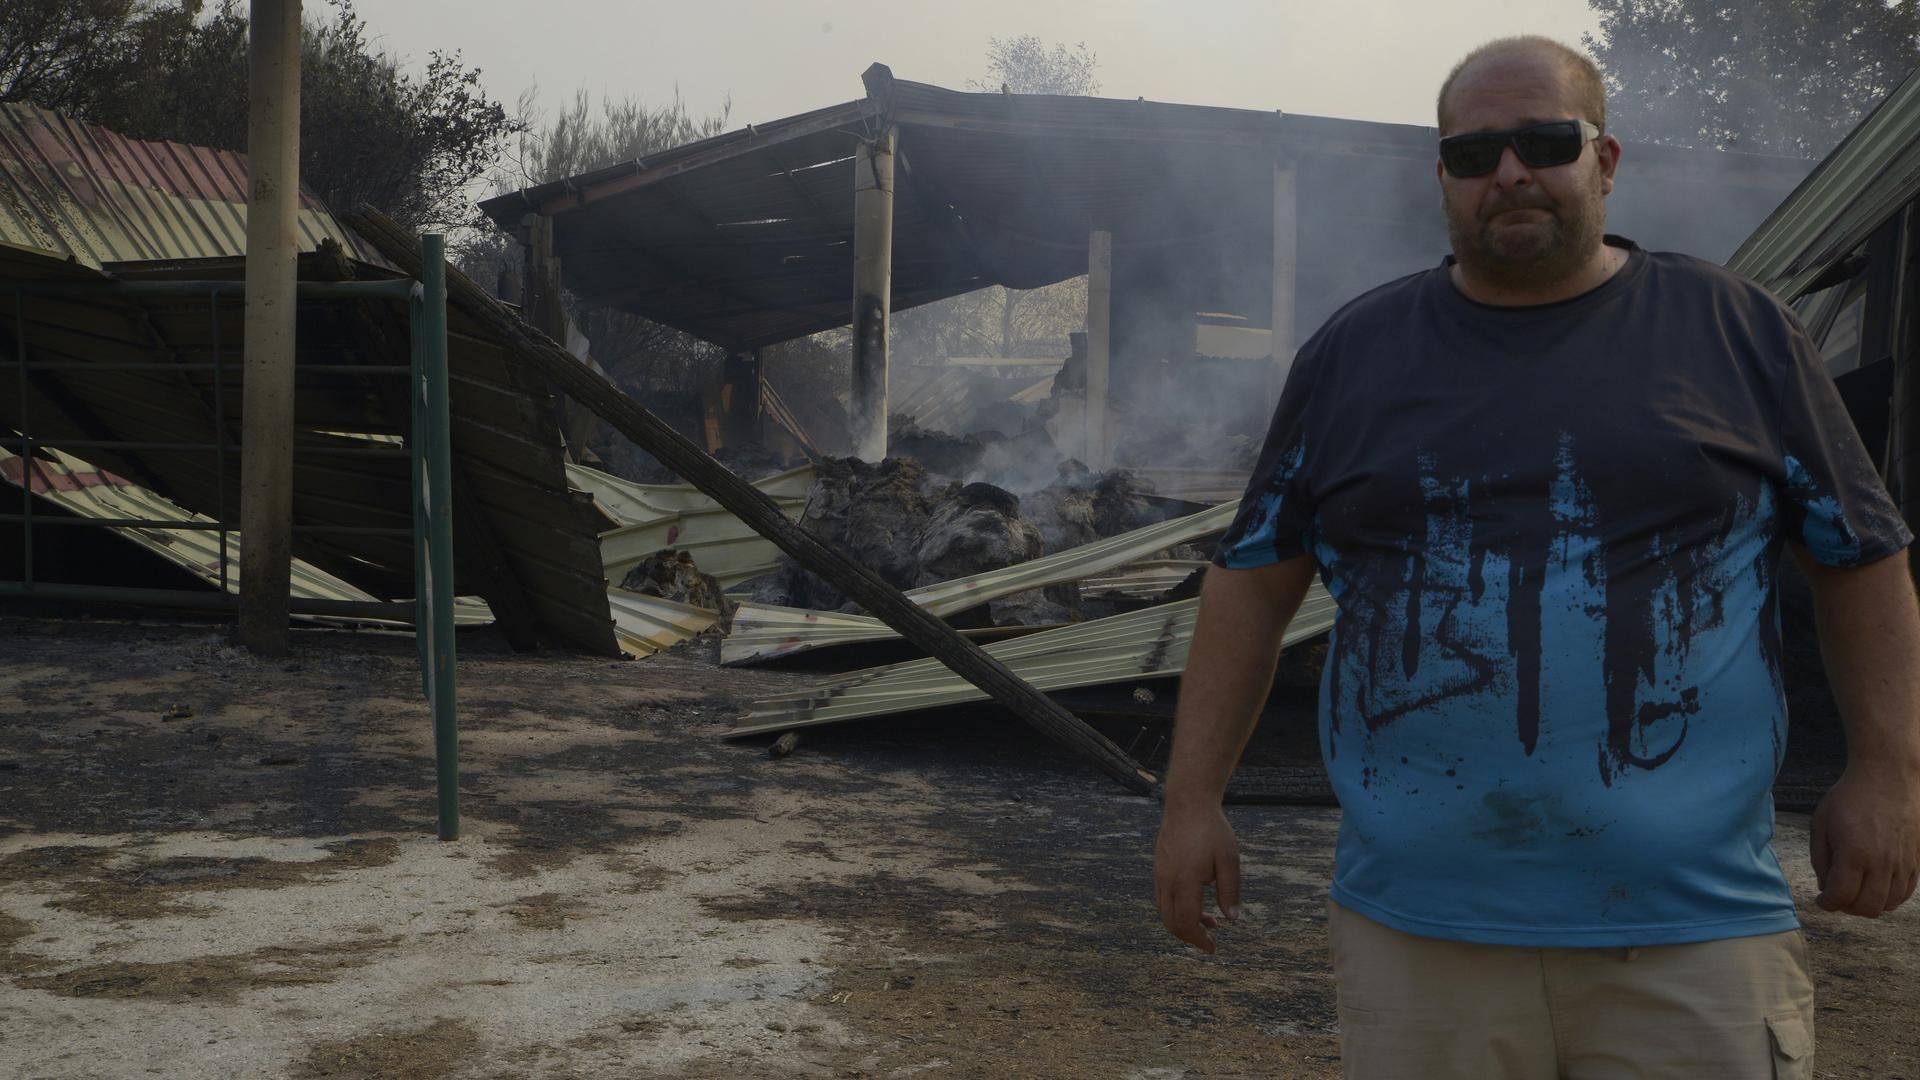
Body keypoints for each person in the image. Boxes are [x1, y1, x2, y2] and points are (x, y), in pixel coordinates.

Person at [1152, 34, 1920, 1079]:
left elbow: (1862, 557)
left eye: (1544, 141)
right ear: (1443, 181)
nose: (1508, 172)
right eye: (1473, 155)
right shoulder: (1355, 355)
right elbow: (1252, 578)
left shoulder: (1735, 332)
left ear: (1605, 162)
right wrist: (1192, 800)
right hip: (1420, 939)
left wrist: (1889, 769)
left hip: (1694, 932)